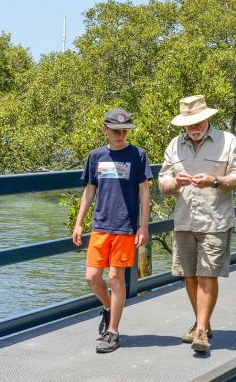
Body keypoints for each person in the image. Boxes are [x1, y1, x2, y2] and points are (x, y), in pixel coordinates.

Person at [158, 95, 236, 354]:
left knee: (208, 274)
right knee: (190, 276)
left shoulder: (227, 141)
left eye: (198, 122)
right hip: (185, 220)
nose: (194, 127)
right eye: (189, 123)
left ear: (207, 118)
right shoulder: (174, 146)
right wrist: (176, 182)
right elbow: (163, 185)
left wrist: (214, 181)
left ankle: (200, 332)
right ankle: (202, 323)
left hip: (215, 220)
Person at [72, 107, 152, 354]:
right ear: (105, 129)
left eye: (125, 130)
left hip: (125, 227)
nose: (121, 135)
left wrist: (144, 225)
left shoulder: (138, 155)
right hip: (100, 225)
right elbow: (89, 190)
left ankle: (113, 331)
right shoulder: (96, 156)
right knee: (92, 277)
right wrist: (79, 222)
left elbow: (144, 191)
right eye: (116, 130)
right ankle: (108, 307)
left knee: (117, 278)